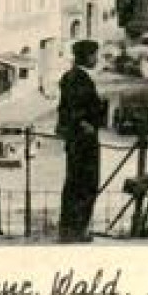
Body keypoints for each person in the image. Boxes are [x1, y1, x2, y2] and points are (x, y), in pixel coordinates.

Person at [56, 39, 107, 243]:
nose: (96, 58)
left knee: (75, 184)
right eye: (94, 55)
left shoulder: (72, 76)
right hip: (83, 141)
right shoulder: (78, 79)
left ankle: (71, 229)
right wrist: (85, 124)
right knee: (86, 184)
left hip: (77, 139)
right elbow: (74, 109)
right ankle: (77, 230)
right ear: (86, 56)